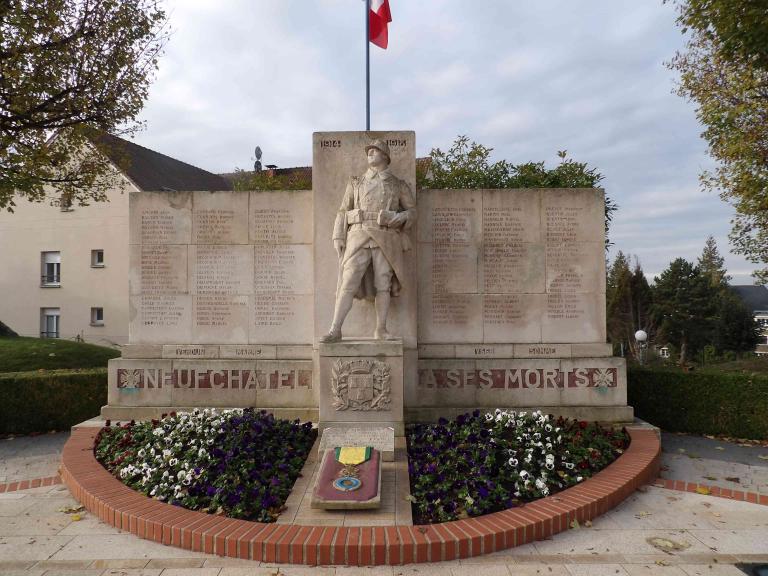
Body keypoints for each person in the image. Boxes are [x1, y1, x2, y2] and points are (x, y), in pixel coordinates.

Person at [320, 139, 416, 342]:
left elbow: (412, 212)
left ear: (385, 156)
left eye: (375, 151)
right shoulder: (356, 182)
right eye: (369, 151)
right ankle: (335, 329)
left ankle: (381, 329)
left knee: (384, 283)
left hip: (386, 237)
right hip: (359, 235)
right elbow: (343, 210)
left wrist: (399, 218)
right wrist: (338, 235)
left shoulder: (397, 184)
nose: (370, 153)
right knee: (348, 281)